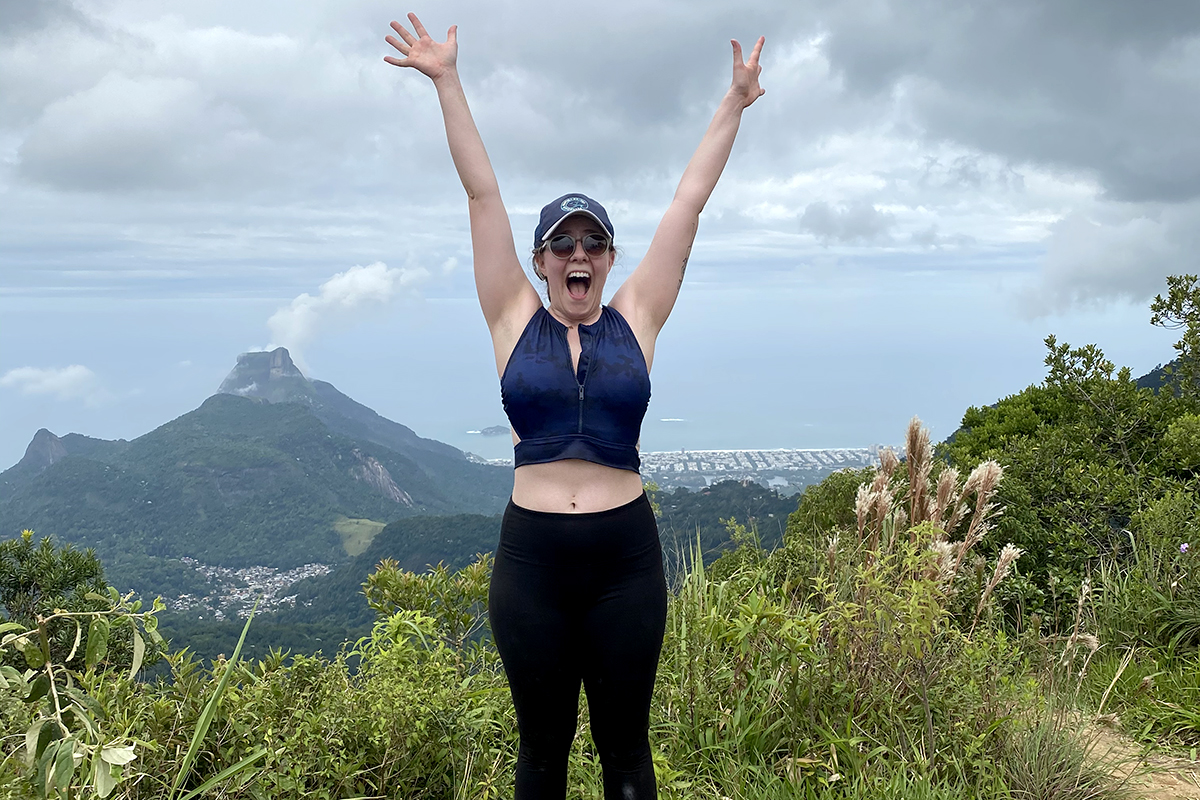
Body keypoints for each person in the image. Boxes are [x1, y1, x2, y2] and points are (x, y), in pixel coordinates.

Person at [385, 14, 764, 800]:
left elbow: (687, 206)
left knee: (626, 748)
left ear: (610, 258)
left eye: (593, 242)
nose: (579, 254)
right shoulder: (512, 319)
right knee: (542, 753)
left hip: (627, 559)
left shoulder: (638, 318)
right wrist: (447, 82)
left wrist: (733, 104)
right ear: (541, 261)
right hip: (532, 564)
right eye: (563, 244)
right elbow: (482, 192)